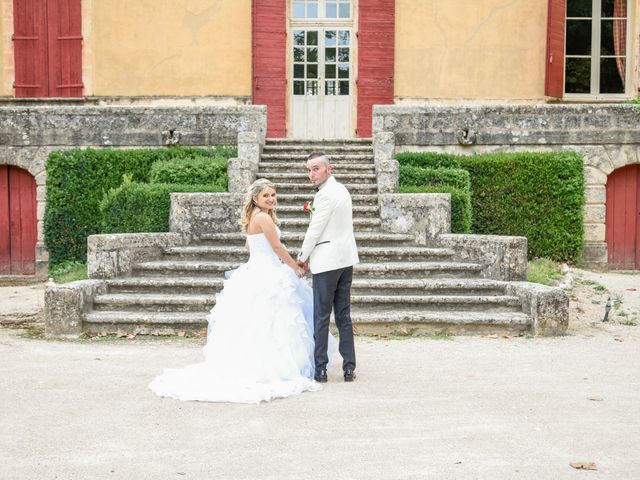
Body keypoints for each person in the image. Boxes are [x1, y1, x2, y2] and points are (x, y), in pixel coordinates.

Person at [149, 178, 333, 403]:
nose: (271, 199)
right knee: (274, 319)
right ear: (255, 198)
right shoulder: (263, 217)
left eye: (273, 195)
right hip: (267, 271)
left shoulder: (253, 217)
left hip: (255, 268)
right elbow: (276, 247)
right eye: (266, 195)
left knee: (258, 321)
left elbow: (250, 246)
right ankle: (274, 366)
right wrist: (295, 266)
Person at [297, 152, 359, 383]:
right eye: (308, 170)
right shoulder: (342, 189)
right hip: (346, 259)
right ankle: (349, 367)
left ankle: (320, 368)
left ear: (328, 169)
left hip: (327, 262)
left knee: (321, 316)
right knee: (343, 314)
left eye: (315, 169)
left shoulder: (325, 196)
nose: (311, 174)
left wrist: (302, 257)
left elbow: (315, 230)